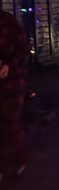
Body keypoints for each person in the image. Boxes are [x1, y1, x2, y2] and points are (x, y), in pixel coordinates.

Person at [0, 9, 31, 181]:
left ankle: (17, 161)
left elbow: (24, 48)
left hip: (12, 81)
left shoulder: (7, 22)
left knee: (10, 121)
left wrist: (9, 65)